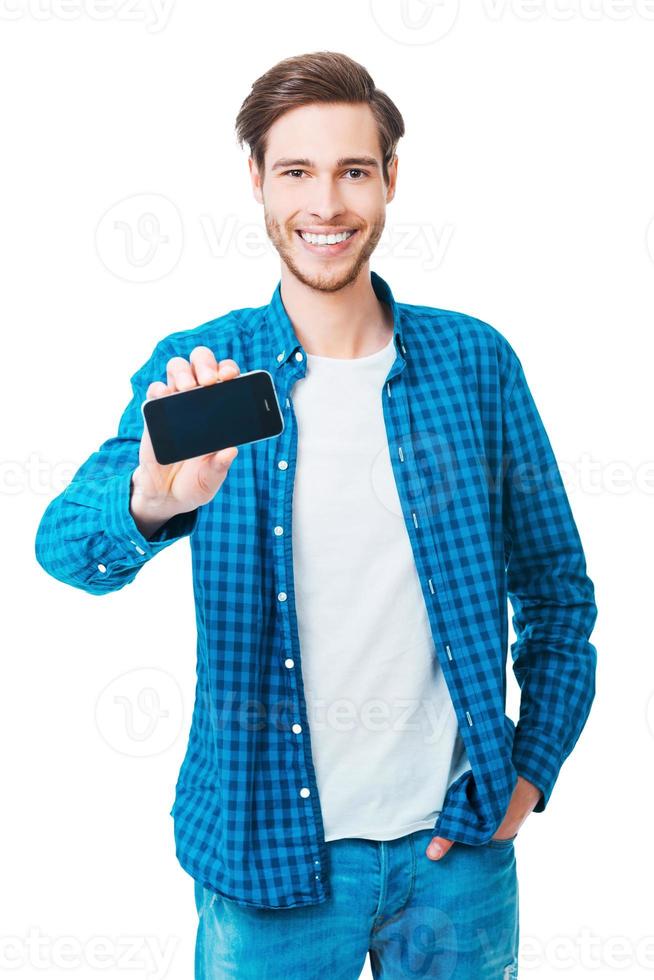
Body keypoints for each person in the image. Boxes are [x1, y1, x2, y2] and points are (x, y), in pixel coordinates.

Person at [34, 50, 598, 979]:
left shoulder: (476, 364)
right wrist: (148, 504)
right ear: (257, 181)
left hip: (457, 858)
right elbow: (63, 549)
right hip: (267, 867)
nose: (325, 205)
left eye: (352, 171)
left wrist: (528, 774)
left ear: (389, 182)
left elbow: (558, 595)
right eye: (296, 171)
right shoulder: (204, 364)